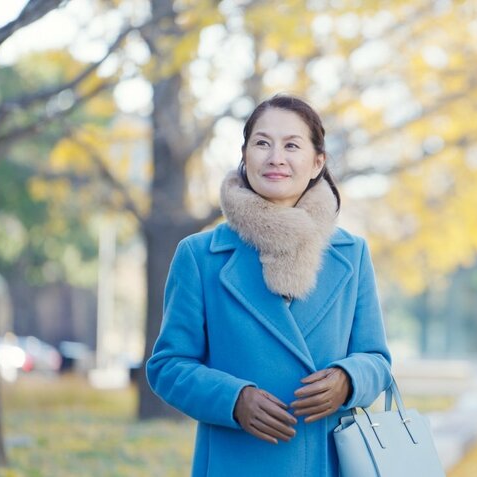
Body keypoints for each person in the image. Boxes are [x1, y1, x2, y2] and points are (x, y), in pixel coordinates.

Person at [147, 94, 392, 476]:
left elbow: (377, 360)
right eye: (262, 143)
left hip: (324, 463)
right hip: (234, 461)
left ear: (317, 163)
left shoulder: (351, 253)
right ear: (245, 157)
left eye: (292, 145)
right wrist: (233, 399)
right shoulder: (200, 255)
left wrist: (348, 379)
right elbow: (167, 366)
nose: (276, 157)